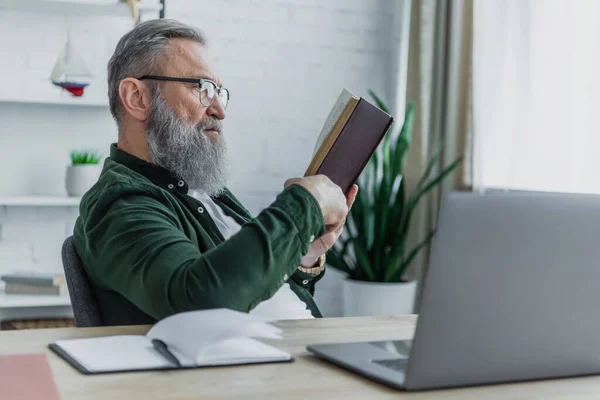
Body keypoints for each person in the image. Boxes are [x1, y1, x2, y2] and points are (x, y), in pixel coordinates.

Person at [73, 19, 357, 326]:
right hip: (243, 369)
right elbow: (201, 302)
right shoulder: (120, 204)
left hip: (299, 351)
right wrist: (303, 205)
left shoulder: (201, 186)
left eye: (219, 92)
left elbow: (251, 285)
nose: (219, 110)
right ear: (137, 98)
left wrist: (303, 255)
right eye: (202, 89)